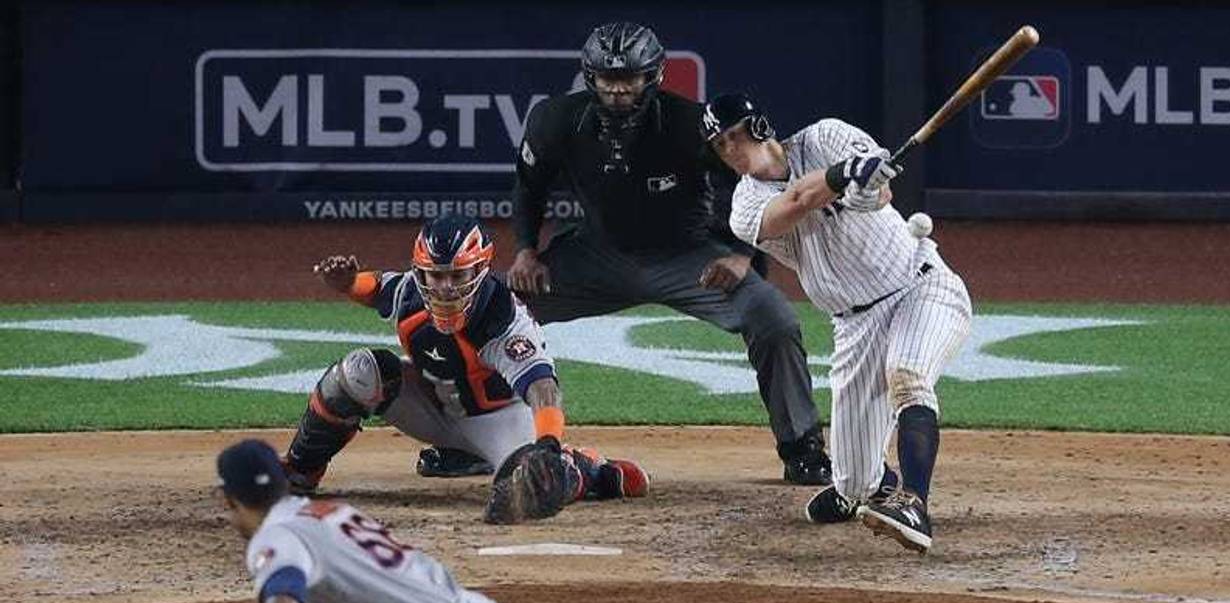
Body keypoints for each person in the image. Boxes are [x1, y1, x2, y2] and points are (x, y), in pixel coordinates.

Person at [503, 21, 832, 486]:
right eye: (606, 79)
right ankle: (474, 440)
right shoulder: (554, 120)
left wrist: (742, 254)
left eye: (630, 79)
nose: (617, 90)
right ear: (588, 76)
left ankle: (803, 449)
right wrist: (524, 252)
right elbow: (528, 188)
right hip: (596, 256)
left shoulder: (693, 125)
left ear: (654, 76)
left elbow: (756, 180)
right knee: (492, 308)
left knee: (774, 318)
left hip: (692, 258)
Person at [703, 93, 973, 553]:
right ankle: (872, 488)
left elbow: (881, 194)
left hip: (919, 287)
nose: (731, 148)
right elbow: (794, 202)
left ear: (761, 125)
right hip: (854, 326)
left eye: (736, 134)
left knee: (908, 376)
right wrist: (842, 176)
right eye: (720, 144)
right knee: (852, 485)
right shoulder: (746, 205)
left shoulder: (828, 135)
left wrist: (868, 185)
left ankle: (915, 504)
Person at [279, 214, 649, 524]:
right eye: (435, 275)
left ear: (480, 270)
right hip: (433, 408)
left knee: (533, 487)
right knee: (357, 372)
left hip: (497, 420)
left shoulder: (503, 317)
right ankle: (299, 471)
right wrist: (347, 283)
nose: (444, 288)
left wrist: (548, 443)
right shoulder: (411, 291)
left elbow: (542, 387)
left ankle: (591, 470)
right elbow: (376, 287)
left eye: (456, 276)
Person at [216, 439, 530, 603]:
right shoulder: (328, 511)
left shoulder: (274, 534)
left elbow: (284, 583)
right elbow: (383, 578)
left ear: (230, 499)